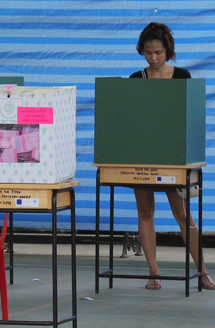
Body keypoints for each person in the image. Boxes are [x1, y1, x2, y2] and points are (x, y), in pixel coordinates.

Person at [130, 22, 214, 290]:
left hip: (174, 156)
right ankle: (153, 272)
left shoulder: (182, 76)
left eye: (158, 52)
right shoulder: (136, 79)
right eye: (148, 53)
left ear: (168, 50)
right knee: (145, 212)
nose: (153, 58)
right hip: (142, 155)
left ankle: (202, 272)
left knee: (183, 215)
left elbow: (188, 118)